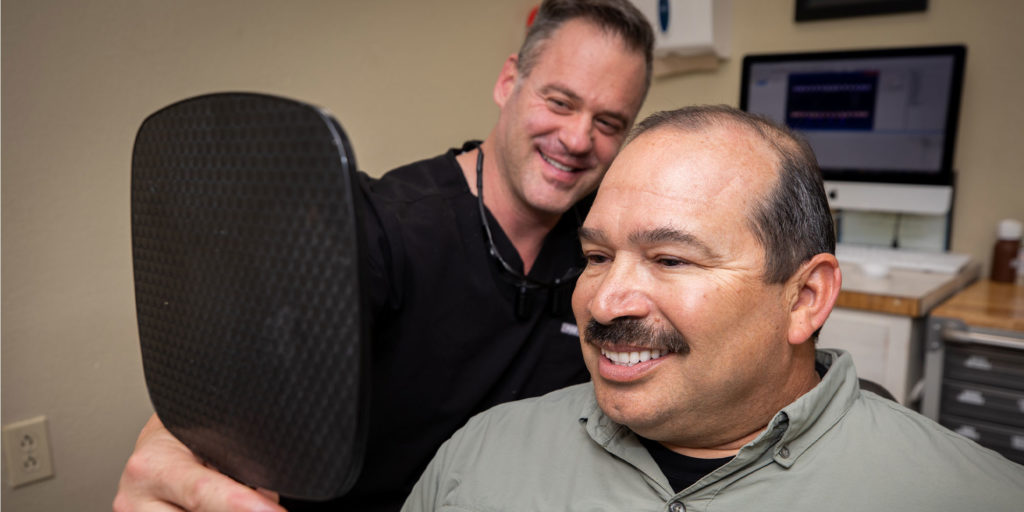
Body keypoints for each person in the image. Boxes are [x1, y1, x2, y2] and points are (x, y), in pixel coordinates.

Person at [113, 1, 653, 511]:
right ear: (509, 81)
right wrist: (169, 448)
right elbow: (235, 377)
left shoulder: (601, 254)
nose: (579, 138)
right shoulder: (381, 230)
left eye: (608, 123)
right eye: (560, 102)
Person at [401, 105, 1024, 511]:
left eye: (671, 259)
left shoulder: (971, 497)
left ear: (804, 298)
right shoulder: (479, 458)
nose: (607, 300)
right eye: (595, 257)